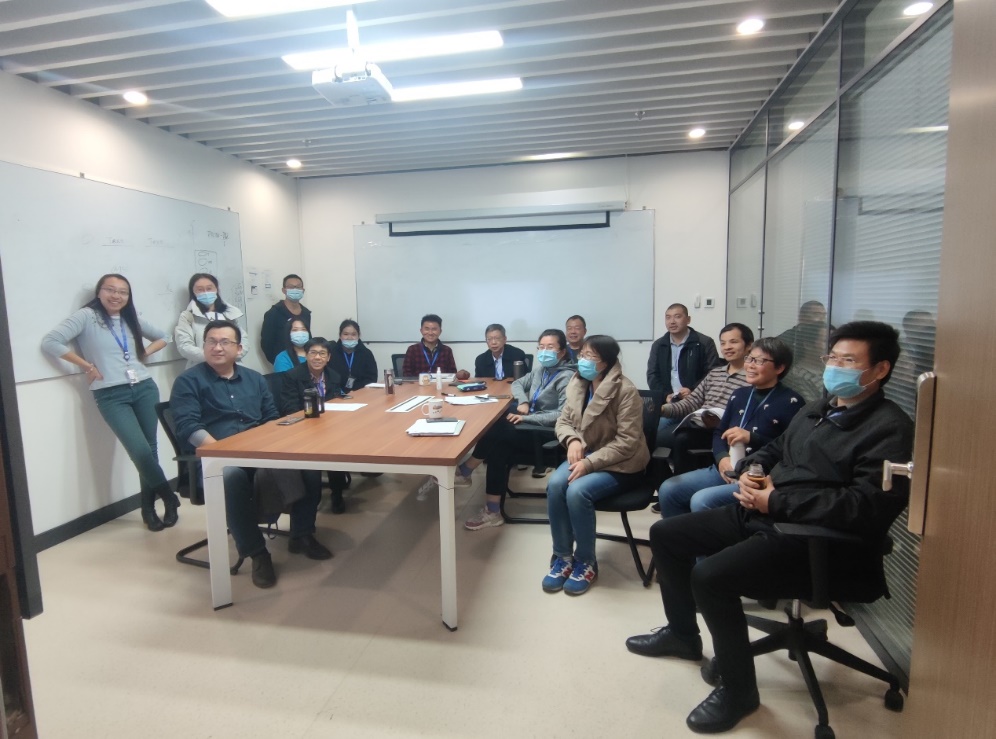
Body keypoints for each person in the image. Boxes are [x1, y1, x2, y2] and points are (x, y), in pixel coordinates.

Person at [625, 321, 914, 734]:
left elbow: (863, 507)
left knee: (711, 577)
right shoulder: (822, 406)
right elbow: (776, 448)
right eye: (832, 358)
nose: (835, 367)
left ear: (880, 369)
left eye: (848, 361)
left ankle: (740, 692)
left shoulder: (890, 429)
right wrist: (751, 470)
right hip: (769, 513)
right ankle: (683, 635)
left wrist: (775, 500)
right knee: (666, 535)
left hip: (816, 540)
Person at [170, 320, 331, 589]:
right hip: (216, 456)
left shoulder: (254, 379)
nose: (217, 347)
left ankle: (301, 534)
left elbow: (271, 418)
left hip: (257, 450)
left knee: (309, 467)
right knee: (231, 476)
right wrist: (222, 452)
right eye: (211, 341)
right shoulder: (188, 381)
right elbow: (188, 426)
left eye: (225, 342)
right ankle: (257, 553)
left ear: (239, 349)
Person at [42, 274, 178, 532]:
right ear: (99, 292)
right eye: (110, 290)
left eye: (123, 292)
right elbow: (51, 342)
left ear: (128, 296)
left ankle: (148, 509)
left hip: (144, 387)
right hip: (110, 394)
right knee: (139, 450)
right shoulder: (86, 316)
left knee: (150, 450)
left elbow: (164, 336)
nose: (116, 296)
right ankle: (169, 497)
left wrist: (144, 352)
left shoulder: (130, 317)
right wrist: (86, 366)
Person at [542, 335, 650, 596]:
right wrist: (572, 440)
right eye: (582, 355)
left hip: (621, 463)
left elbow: (627, 442)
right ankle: (563, 556)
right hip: (587, 455)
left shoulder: (625, 391)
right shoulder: (578, 383)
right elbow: (563, 421)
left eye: (591, 357)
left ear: (606, 363)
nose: (583, 361)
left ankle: (586, 562)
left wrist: (589, 463)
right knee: (555, 485)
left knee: (577, 491)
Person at [658, 337, 804, 518]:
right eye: (749, 359)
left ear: (780, 368)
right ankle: (678, 534)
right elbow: (720, 432)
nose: (750, 365)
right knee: (669, 489)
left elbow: (791, 449)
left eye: (759, 361)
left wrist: (752, 438)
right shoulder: (739, 394)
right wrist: (722, 458)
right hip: (728, 467)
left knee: (701, 500)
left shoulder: (792, 402)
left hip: (758, 477)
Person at [459, 329, 574, 530]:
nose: (544, 351)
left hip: (548, 435)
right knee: (498, 441)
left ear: (562, 352)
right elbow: (518, 383)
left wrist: (526, 417)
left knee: (499, 429)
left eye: (550, 347)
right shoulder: (541, 370)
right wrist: (524, 401)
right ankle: (492, 511)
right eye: (541, 347)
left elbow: (562, 415)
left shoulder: (567, 377)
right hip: (532, 424)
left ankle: (466, 469)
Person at [657, 323, 753, 473]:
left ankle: (680, 482)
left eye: (733, 342)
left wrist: (721, 422)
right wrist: (661, 409)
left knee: (681, 439)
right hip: (698, 424)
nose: (727, 347)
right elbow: (691, 402)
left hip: (723, 433)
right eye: (723, 343)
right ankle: (663, 480)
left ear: (749, 346)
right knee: (650, 436)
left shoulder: (752, 378)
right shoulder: (715, 373)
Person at [279, 337, 351, 514]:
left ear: (328, 357)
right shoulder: (292, 376)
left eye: (322, 353)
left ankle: (337, 493)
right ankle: (313, 497)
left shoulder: (334, 376)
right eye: (313, 353)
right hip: (303, 428)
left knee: (336, 447)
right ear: (306, 355)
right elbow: (290, 408)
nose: (317, 357)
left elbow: (335, 403)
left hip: (329, 427)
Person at [647, 302, 722, 418]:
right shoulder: (659, 345)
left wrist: (693, 390)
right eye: (668, 317)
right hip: (668, 403)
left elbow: (712, 373)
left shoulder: (704, 342)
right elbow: (652, 375)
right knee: (650, 425)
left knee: (665, 429)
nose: (672, 321)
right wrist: (665, 395)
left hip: (696, 403)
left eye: (677, 316)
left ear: (688, 320)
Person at [174, 272, 249, 369]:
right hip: (201, 368)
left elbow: (243, 341)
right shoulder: (188, 316)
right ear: (193, 292)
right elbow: (184, 346)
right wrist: (214, 357)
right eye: (200, 289)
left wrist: (228, 356)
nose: (205, 292)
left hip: (232, 366)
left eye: (209, 288)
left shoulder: (229, 314)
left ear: (216, 289)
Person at [260, 274, 311, 365]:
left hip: (305, 360)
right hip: (284, 362)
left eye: (298, 287)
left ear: (303, 290)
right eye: (291, 287)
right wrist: (278, 361)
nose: (295, 289)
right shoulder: (274, 313)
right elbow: (267, 343)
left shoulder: (306, 313)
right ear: (284, 290)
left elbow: (308, 338)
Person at [328, 319, 378, 391]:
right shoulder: (332, 354)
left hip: (361, 393)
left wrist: (355, 390)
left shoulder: (366, 354)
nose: (349, 338)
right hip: (337, 393)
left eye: (353, 334)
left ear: (358, 336)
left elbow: (372, 379)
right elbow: (328, 379)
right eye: (346, 334)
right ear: (340, 335)